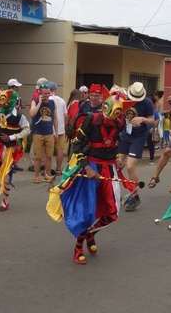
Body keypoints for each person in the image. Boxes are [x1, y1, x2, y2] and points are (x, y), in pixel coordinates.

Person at [49, 89, 135, 264]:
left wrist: (118, 158)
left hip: (109, 170)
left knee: (113, 213)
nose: (112, 119)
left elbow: (116, 145)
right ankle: (78, 246)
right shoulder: (91, 120)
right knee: (87, 211)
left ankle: (91, 233)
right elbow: (76, 144)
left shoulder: (119, 123)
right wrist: (87, 168)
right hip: (91, 169)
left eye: (116, 116)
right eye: (110, 115)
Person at [117, 82, 155, 212]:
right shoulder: (123, 99)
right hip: (125, 135)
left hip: (138, 137)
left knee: (130, 166)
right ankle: (114, 194)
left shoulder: (147, 103)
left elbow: (152, 120)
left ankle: (135, 196)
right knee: (116, 166)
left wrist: (143, 119)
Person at [30, 83, 56, 183]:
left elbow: (55, 118)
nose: (47, 95)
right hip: (38, 133)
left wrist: (56, 131)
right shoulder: (35, 102)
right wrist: (40, 103)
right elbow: (32, 114)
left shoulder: (53, 103)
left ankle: (47, 174)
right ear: (40, 93)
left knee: (49, 156)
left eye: (48, 93)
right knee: (38, 157)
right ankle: (36, 176)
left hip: (49, 132)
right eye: (45, 93)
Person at [47, 81, 68, 175]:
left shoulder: (47, 100)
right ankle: (58, 169)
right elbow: (66, 115)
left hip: (49, 129)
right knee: (60, 149)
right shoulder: (62, 100)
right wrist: (63, 124)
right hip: (61, 129)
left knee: (48, 150)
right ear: (55, 89)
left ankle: (47, 169)